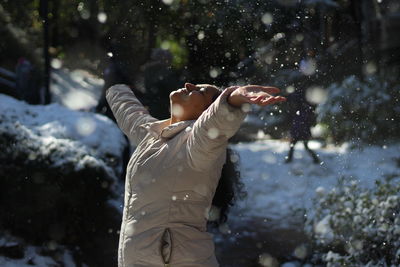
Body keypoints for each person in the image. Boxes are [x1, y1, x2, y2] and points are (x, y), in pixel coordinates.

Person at [106, 82, 285, 266]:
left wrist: (233, 98)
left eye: (201, 91)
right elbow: (129, 112)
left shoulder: (200, 145)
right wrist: (115, 84)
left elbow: (216, 123)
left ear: (206, 113)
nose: (188, 85)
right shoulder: (153, 136)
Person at [285, 89, 320, 164]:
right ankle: (315, 159)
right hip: (300, 132)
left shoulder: (301, 111)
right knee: (294, 146)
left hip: (302, 132)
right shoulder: (298, 110)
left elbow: (304, 122)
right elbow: (296, 123)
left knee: (301, 146)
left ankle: (315, 159)